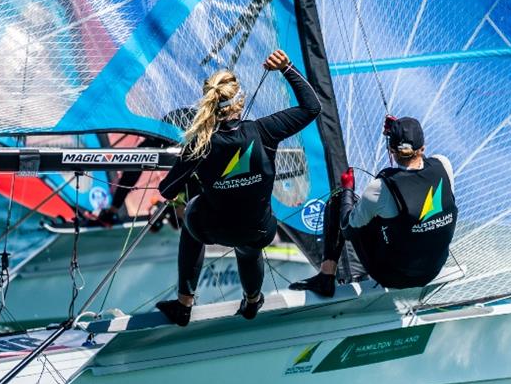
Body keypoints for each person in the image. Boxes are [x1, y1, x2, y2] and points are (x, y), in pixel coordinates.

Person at [156, 49, 321, 326]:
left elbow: (167, 190)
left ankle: (184, 304)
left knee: (192, 218)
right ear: (240, 101)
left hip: (213, 228)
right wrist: (287, 67)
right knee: (248, 246)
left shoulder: (199, 144)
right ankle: (253, 301)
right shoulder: (265, 130)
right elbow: (311, 108)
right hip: (259, 230)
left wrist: (198, 176)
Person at [290, 116, 457, 297]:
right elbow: (418, 172)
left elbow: (347, 229)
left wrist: (347, 190)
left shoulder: (380, 188)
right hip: (432, 270)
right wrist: (400, 134)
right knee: (392, 217)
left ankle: (326, 277)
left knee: (339, 199)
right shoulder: (444, 165)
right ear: (423, 147)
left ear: (391, 150)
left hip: (393, 276)